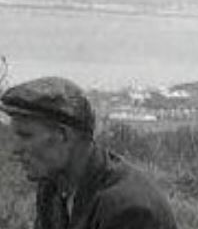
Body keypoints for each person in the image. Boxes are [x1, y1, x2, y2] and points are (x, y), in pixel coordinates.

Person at [0, 76, 178, 229]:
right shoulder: (53, 187)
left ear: (63, 135)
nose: (15, 149)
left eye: (26, 136)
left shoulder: (129, 210)